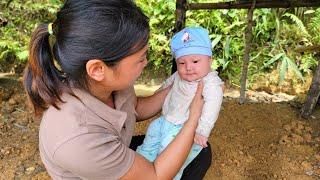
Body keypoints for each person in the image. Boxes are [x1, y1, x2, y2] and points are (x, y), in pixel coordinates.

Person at [23, 0, 211, 179]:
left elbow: (136, 109)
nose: (146, 63)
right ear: (98, 69)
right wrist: (193, 118)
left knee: (199, 152)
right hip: (102, 161)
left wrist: (180, 84)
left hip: (109, 155)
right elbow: (154, 176)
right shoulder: (78, 137)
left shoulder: (107, 83)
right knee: (186, 155)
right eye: (140, 59)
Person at [136, 27, 224, 180]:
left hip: (183, 128)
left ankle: (168, 175)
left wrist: (202, 130)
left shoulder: (211, 83)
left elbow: (212, 106)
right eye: (182, 63)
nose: (188, 67)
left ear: (209, 59)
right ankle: (141, 164)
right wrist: (158, 94)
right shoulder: (178, 75)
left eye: (195, 61)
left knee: (169, 153)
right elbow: (165, 86)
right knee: (151, 133)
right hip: (166, 120)